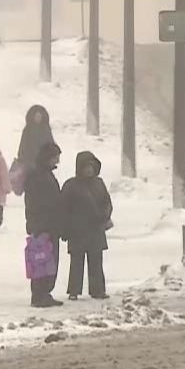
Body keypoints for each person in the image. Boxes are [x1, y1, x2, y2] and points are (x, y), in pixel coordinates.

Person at [61, 151, 112, 301]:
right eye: (85, 167)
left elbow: (107, 203)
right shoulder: (71, 185)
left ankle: (98, 290)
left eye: (91, 166)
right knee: (76, 262)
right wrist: (64, 229)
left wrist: (104, 215)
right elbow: (64, 208)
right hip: (77, 230)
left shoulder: (99, 183)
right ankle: (74, 290)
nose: (89, 170)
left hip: (95, 228)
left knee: (96, 261)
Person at [24, 142, 64, 308]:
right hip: (43, 225)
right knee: (42, 259)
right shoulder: (38, 176)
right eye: (55, 157)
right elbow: (35, 202)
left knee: (48, 260)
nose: (57, 161)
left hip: (49, 224)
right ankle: (40, 294)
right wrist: (38, 224)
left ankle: (44, 293)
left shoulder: (45, 174)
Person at [17, 105, 55, 173]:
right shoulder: (27, 130)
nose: (38, 119)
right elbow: (22, 148)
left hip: (44, 166)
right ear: (32, 117)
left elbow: (51, 146)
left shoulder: (46, 130)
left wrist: (50, 160)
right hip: (29, 166)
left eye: (39, 117)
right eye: (36, 117)